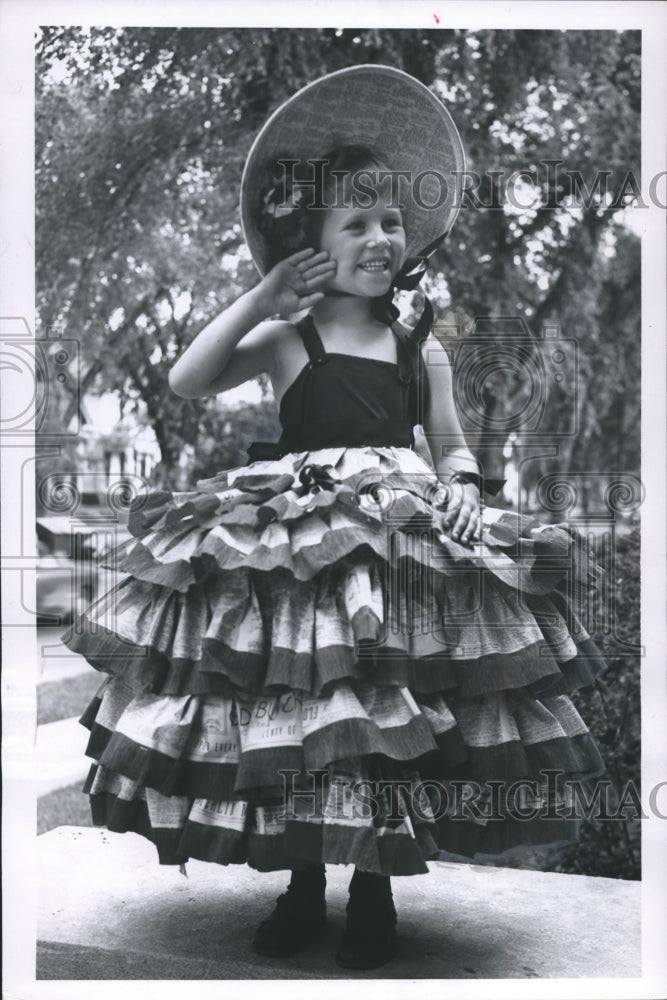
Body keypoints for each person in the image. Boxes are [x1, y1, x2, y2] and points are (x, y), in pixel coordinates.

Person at [64, 66, 606, 971]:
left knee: (385, 709)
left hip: (398, 537)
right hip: (301, 542)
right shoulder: (289, 335)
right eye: (353, 222)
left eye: (389, 221)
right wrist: (260, 297)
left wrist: (464, 490)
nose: (377, 236)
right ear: (309, 241)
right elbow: (187, 379)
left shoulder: (416, 342)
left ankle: (373, 888)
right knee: (304, 711)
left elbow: (451, 443)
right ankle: (302, 880)